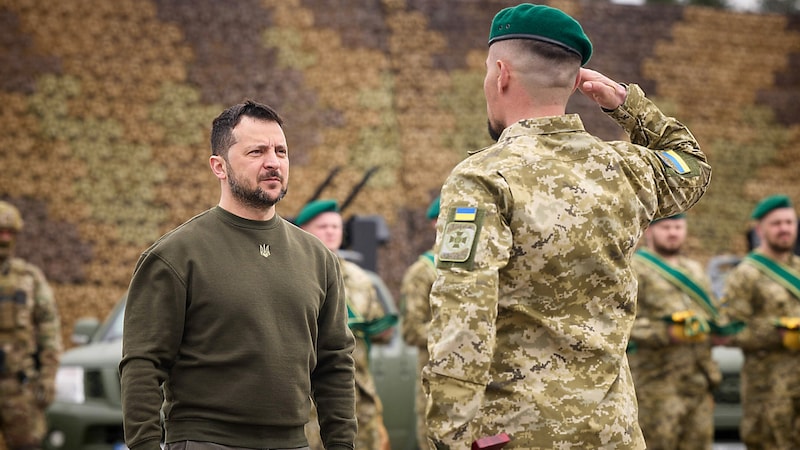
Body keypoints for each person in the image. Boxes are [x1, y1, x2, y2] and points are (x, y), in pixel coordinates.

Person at [421, 4, 712, 449]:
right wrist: (627, 106)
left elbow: (464, 315)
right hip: (613, 432)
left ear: (501, 74)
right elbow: (691, 165)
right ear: (576, 82)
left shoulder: (483, 178)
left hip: (516, 433)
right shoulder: (624, 169)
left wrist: (449, 433)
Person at [119, 101, 357, 450]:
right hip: (206, 442)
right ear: (219, 166)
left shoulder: (318, 258)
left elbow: (335, 364)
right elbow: (142, 365)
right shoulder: (174, 256)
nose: (273, 162)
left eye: (281, 151)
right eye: (256, 151)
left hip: (292, 443)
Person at [295, 199, 395, 450]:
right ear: (303, 230)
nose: (330, 232)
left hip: (357, 390)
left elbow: (382, 329)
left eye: (335, 227)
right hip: (306, 394)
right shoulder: (291, 274)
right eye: (323, 226)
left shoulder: (359, 278)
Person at [628, 214, 731, 450]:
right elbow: (623, 325)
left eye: (678, 227)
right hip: (656, 386)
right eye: (666, 227)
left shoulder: (694, 269)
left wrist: (719, 330)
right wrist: (667, 332)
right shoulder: (636, 269)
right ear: (650, 231)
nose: (673, 233)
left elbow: (713, 313)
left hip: (697, 383)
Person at [720, 194, 800, 450]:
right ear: (760, 229)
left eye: (789, 222)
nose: (784, 229)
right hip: (769, 394)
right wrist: (779, 333)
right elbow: (729, 331)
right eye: (776, 223)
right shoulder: (745, 274)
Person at [0, 201, 62, 450]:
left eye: (9, 232)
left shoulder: (29, 278)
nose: (4, 239)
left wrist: (47, 378)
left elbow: (50, 329)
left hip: (19, 388)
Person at [399, 196, 440, 450]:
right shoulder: (423, 272)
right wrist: (456, 336)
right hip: (436, 384)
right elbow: (411, 331)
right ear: (437, 223)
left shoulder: (483, 267)